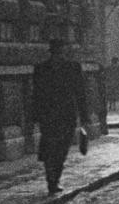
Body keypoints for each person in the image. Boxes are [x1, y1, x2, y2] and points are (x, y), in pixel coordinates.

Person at [32, 39, 86, 195]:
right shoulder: (67, 68)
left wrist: (83, 116)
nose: (59, 55)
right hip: (56, 116)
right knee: (55, 149)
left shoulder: (68, 68)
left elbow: (80, 93)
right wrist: (84, 117)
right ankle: (52, 181)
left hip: (57, 116)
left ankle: (53, 180)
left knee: (57, 149)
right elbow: (36, 94)